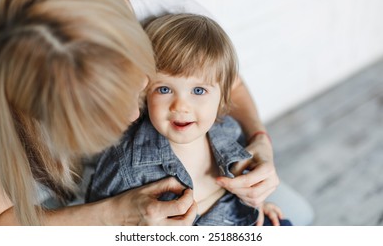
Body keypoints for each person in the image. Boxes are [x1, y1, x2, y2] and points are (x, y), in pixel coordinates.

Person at [0, 0, 310, 226]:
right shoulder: (120, 167)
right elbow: (1, 225)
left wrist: (260, 139)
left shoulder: (167, 16)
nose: (135, 114)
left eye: (140, 87)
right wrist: (112, 215)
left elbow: (231, 83)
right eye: (104, 115)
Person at [86, 13, 291, 226]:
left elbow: (243, 188)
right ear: (145, 92)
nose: (181, 106)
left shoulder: (229, 131)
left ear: (222, 98)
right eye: (164, 89)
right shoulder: (123, 164)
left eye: (199, 90)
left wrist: (255, 204)